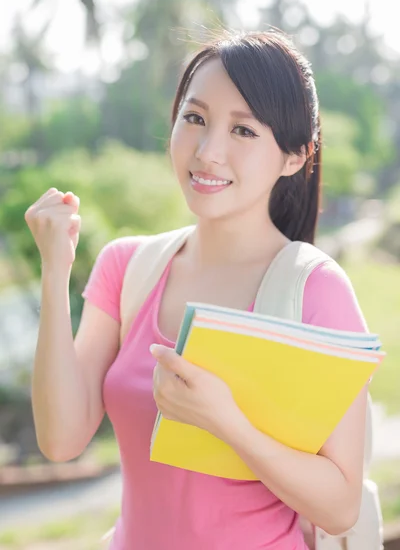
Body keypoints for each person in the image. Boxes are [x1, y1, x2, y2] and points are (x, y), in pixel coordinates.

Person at [25, 30, 369, 550]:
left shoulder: (315, 290)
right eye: (195, 118)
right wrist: (55, 270)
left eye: (244, 131)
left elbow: (341, 507)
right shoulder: (128, 266)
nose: (208, 151)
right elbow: (60, 438)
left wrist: (227, 423)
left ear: (295, 155)